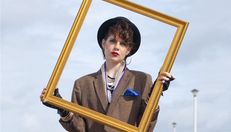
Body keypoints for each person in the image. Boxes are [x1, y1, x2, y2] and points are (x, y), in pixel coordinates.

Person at [40, 16, 175, 132]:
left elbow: (146, 127)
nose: (116, 46)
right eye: (112, 41)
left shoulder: (142, 80)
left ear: (128, 50)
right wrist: (62, 109)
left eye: (123, 44)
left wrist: (155, 95)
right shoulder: (82, 84)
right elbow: (80, 129)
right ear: (103, 43)